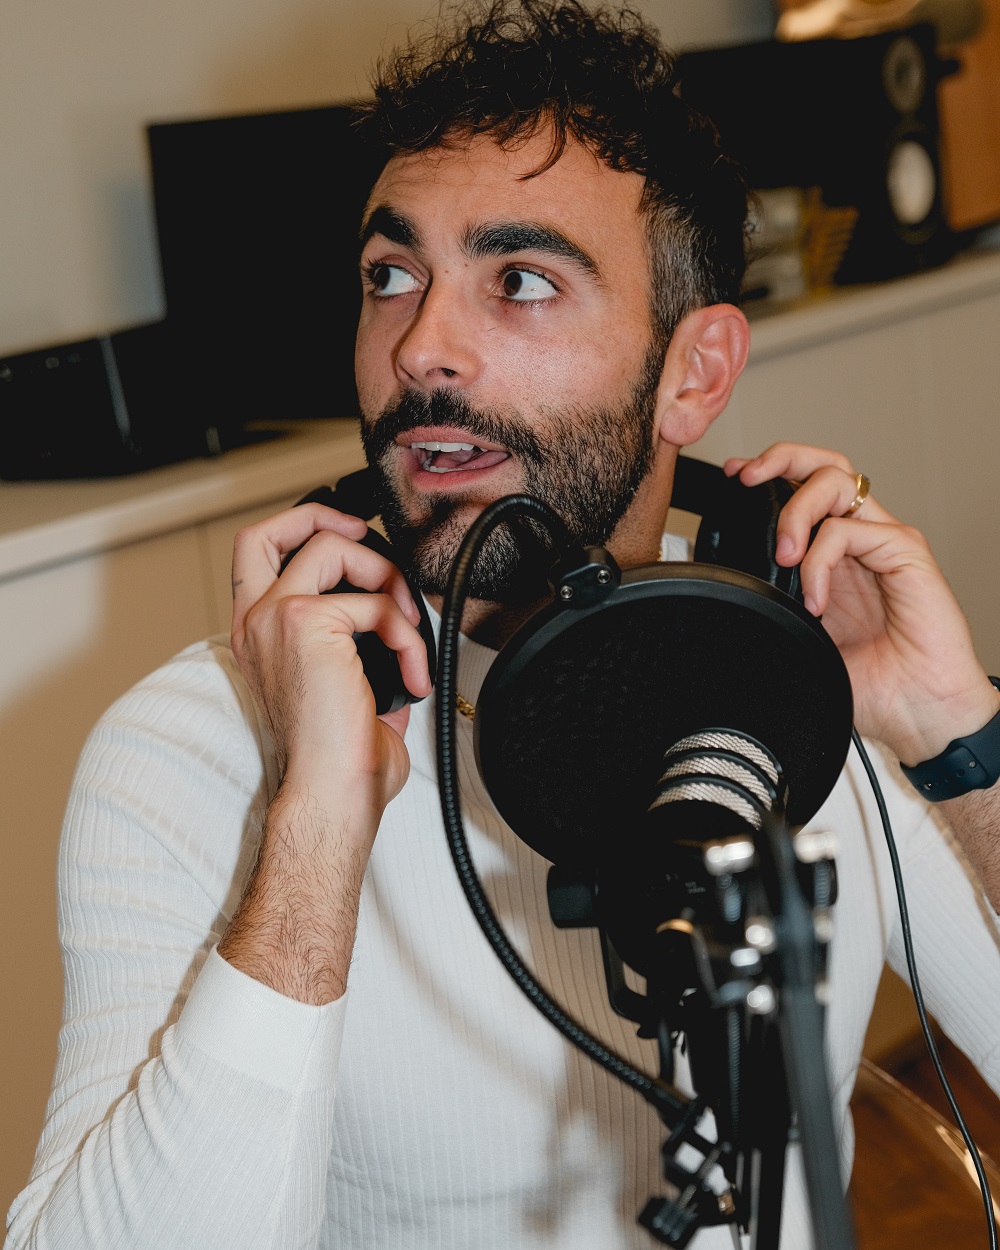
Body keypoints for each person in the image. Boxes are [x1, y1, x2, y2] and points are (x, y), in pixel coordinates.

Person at [7, 2, 1000, 1247]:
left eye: (520, 282)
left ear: (693, 373)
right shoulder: (187, 747)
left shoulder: (793, 667)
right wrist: (316, 819)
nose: (422, 347)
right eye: (391, 277)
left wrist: (954, 737)